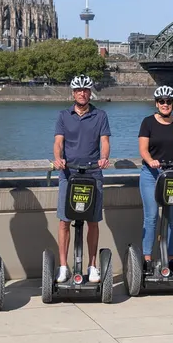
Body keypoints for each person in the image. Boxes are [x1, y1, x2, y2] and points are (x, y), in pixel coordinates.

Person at [53, 75, 110, 283]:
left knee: (93, 221)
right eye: (78, 90)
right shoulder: (63, 115)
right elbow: (59, 142)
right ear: (73, 93)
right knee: (64, 221)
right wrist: (58, 159)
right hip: (69, 173)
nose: (82, 93)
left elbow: (104, 141)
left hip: (93, 173)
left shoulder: (100, 115)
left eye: (85, 90)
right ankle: (62, 266)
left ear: (90, 92)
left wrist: (104, 158)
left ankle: (92, 265)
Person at [137, 85, 173, 268]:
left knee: (171, 217)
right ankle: (147, 259)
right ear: (156, 103)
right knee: (151, 217)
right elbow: (143, 150)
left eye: (168, 102)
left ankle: (170, 259)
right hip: (151, 175)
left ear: (172, 104)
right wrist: (151, 161)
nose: (165, 104)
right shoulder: (148, 122)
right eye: (161, 101)